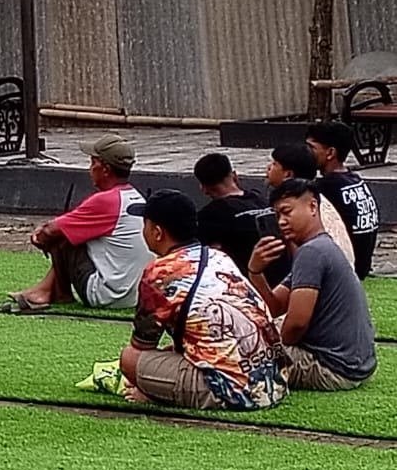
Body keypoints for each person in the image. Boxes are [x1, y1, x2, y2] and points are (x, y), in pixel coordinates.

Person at [119, 190, 283, 411]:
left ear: (157, 232)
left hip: (235, 392)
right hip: (275, 381)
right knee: (172, 349)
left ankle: (159, 396)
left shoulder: (160, 273)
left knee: (129, 358)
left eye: (145, 224)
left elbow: (142, 345)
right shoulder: (219, 257)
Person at [249, 179, 377, 391]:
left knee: (242, 353)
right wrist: (256, 272)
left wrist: (275, 345)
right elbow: (273, 308)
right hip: (354, 365)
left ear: (312, 207)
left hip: (331, 368)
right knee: (257, 332)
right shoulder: (318, 248)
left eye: (287, 212)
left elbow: (296, 325)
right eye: (277, 215)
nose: (281, 222)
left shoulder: (312, 252)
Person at [6, 134, 154, 312]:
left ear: (106, 170)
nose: (90, 169)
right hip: (136, 296)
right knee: (72, 230)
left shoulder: (106, 201)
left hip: (109, 296)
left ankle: (54, 293)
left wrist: (40, 238)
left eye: (93, 163)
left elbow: (49, 231)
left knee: (63, 236)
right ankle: (44, 289)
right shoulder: (134, 196)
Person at [194, 153, 287, 286]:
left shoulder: (210, 215)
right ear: (235, 176)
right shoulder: (260, 199)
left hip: (252, 285)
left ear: (203, 188)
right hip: (285, 279)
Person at [306, 122, 380, 279]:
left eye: (311, 148)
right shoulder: (354, 179)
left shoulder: (327, 187)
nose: (306, 153)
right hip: (361, 267)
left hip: (345, 270)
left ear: (330, 152)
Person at [269, 143, 357, 268]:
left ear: (288, 174)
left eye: (274, 164)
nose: (268, 168)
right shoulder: (319, 199)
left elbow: (298, 267)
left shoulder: (300, 210)